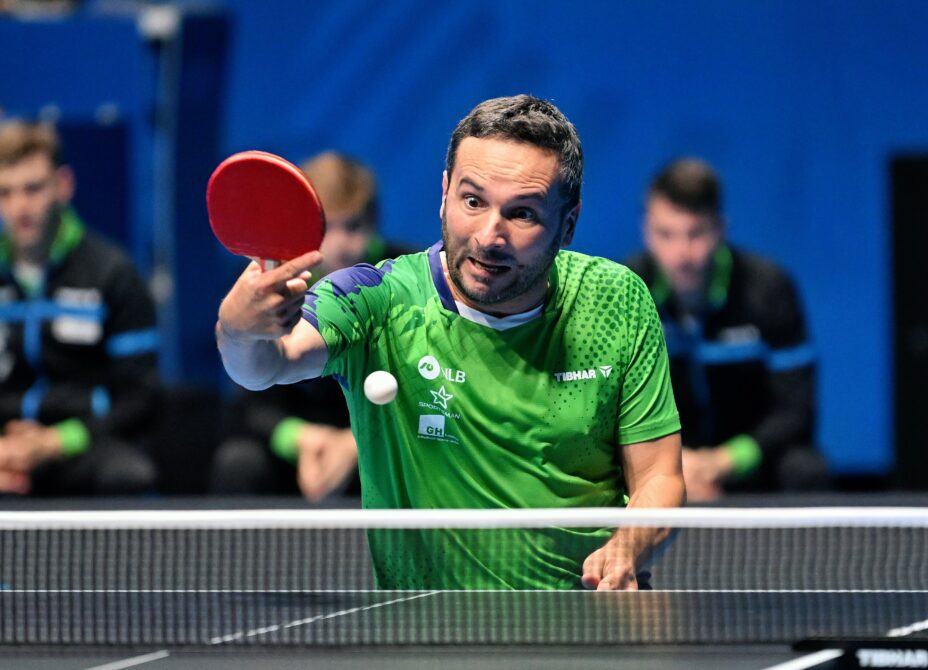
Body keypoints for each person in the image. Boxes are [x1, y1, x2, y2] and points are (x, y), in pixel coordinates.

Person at [215, 95, 685, 590]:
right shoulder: (378, 299)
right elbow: (265, 366)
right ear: (444, 194)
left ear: (567, 224)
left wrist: (627, 548)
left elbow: (659, 476)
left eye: (522, 214)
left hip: (589, 612)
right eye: (473, 201)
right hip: (429, 623)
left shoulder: (616, 302)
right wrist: (239, 328)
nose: (489, 236)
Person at [210, 151, 413, 501]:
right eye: (327, 228)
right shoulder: (270, 285)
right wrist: (304, 440)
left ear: (373, 222)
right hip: (301, 450)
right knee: (238, 462)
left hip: (380, 443)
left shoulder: (405, 276)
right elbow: (248, 405)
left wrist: (356, 442)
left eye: (353, 226)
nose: (341, 244)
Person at [627, 158, 827, 502]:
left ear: (720, 229)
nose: (682, 254)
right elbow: (610, 408)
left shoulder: (770, 288)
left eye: (696, 233)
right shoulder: (626, 292)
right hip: (662, 462)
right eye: (666, 234)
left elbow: (796, 410)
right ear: (646, 230)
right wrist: (672, 466)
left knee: (806, 469)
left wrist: (723, 462)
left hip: (749, 461)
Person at [0, 120, 159, 495]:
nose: (19, 206)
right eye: (5, 193)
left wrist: (55, 442)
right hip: (4, 446)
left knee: (128, 474)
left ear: (63, 185)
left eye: (33, 189)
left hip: (82, 443)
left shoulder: (112, 273)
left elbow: (141, 397)